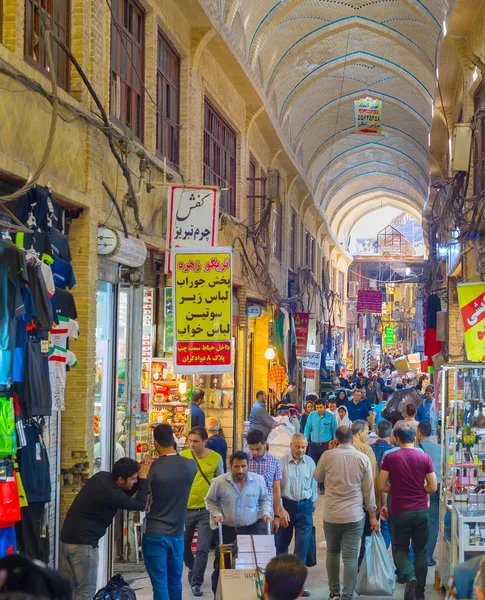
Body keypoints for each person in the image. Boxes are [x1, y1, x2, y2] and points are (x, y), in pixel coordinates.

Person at [60, 457, 150, 600]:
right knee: (85, 592)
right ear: (121, 479)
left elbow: (124, 494)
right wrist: (144, 478)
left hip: (68, 540)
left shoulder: (101, 477)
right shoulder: (111, 492)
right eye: (133, 479)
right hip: (83, 545)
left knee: (74, 590)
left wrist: (139, 472)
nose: (136, 481)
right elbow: (140, 505)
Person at [314, 426, 378, 600]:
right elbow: (368, 492)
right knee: (350, 556)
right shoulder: (362, 458)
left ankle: (334, 592)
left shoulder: (327, 456)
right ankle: (347, 595)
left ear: (336, 439)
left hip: (332, 515)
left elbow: (318, 477)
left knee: (333, 553)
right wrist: (372, 516)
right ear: (352, 438)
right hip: (354, 515)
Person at [378, 426, 437, 600]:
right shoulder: (425, 457)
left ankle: (409, 576)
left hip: (400, 510)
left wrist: (396, 490)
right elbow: (432, 487)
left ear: (397, 439)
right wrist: (420, 490)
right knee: (420, 551)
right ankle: (420, 592)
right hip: (420, 510)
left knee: (399, 548)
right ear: (415, 438)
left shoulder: (390, 457)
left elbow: (381, 485)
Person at [143, 424, 197, 600]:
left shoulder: (153, 468)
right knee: (175, 581)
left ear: (155, 443)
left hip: (154, 532)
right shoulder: (190, 466)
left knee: (160, 583)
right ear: (174, 439)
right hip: (177, 533)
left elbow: (144, 502)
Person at [205, 450, 272, 594]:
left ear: (248, 466)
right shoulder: (220, 482)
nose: (240, 470)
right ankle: (220, 595)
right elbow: (209, 501)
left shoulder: (258, 481)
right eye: (236, 466)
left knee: (249, 566)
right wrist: (216, 514)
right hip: (227, 530)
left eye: (243, 466)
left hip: (249, 529)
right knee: (222, 565)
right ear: (230, 467)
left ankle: (247, 595)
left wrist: (266, 513)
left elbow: (265, 500)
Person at [180, 427, 224, 597]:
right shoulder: (182, 457)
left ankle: (197, 582)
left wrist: (220, 509)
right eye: (190, 440)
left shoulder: (215, 458)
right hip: (185, 507)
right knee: (183, 546)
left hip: (207, 509)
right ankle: (191, 566)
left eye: (196, 441)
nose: (192, 444)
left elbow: (220, 483)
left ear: (205, 441)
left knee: (203, 547)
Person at [276, 434, 318, 598]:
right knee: (281, 545)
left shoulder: (310, 462)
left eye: (303, 447)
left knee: (302, 546)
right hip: (286, 507)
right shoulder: (281, 463)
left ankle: (297, 585)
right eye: (297, 447)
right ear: (291, 446)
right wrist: (279, 509)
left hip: (305, 507)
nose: (300, 450)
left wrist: (313, 503)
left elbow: (313, 484)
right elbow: (276, 488)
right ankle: (280, 582)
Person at [246, 428, 283, 533]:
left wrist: (277, 516)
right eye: (251, 449)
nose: (254, 452)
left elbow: (276, 490)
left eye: (258, 448)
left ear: (265, 444)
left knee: (264, 546)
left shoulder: (274, 462)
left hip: (266, 514)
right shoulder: (244, 461)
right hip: (247, 512)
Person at [417, 420, 441, 566]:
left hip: (422, 487)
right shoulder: (440, 448)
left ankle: (419, 554)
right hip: (438, 485)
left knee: (419, 521)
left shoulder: (416, 449)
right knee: (433, 520)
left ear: (419, 433)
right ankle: (428, 555)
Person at [371, 420, 394, 549]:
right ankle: (382, 554)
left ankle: (368, 559)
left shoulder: (369, 450)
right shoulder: (393, 452)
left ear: (376, 432)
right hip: (388, 492)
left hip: (370, 493)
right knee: (386, 526)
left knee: (369, 525)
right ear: (390, 433)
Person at [303, 398, 337, 471]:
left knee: (325, 468)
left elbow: (334, 430)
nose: (319, 409)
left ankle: (323, 483)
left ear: (325, 406)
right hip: (313, 445)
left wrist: (334, 443)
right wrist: (305, 439)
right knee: (311, 466)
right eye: (317, 407)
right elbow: (307, 428)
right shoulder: (312, 415)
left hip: (326, 446)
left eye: (320, 407)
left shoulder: (331, 417)